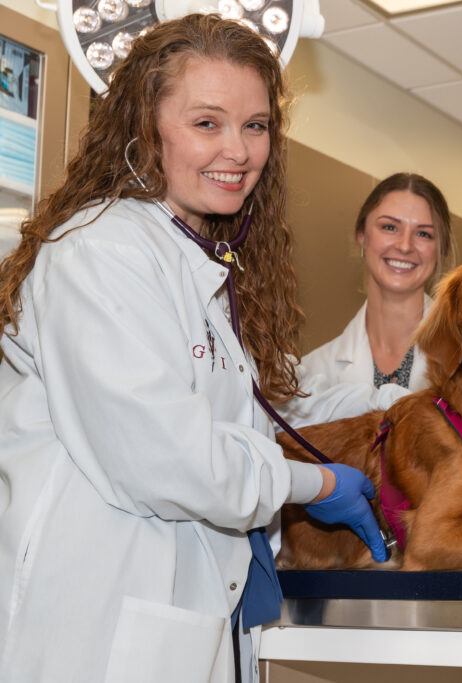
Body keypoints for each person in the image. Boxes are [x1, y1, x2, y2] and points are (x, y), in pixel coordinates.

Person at [0, 15, 389, 682]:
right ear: (143, 129)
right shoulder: (99, 253)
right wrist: (314, 481)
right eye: (207, 123)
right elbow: (175, 460)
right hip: (93, 625)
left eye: (256, 125)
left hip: (179, 621)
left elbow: (263, 409)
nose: (237, 150)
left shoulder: (199, 263)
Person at [278, 173, 454, 426]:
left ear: (441, 249)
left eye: (424, 234)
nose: (405, 246)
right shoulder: (315, 373)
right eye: (389, 227)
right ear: (361, 234)